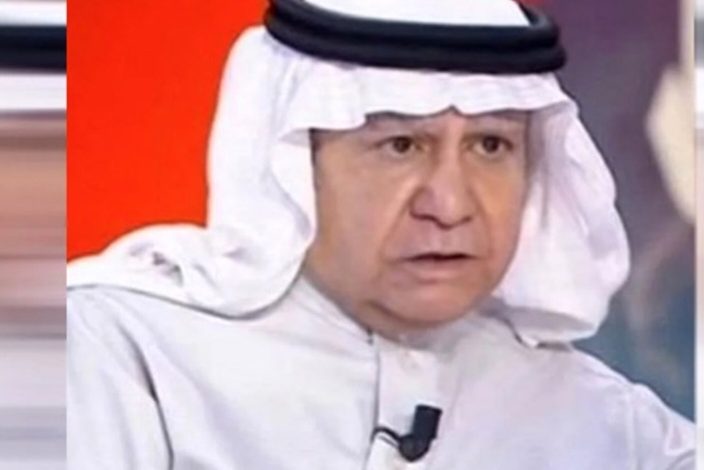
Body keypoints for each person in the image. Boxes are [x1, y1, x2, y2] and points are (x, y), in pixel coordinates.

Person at [67, 0, 695, 468]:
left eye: (490, 145)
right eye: (401, 145)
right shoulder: (126, 349)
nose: (450, 205)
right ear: (294, 162)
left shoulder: (610, 427)